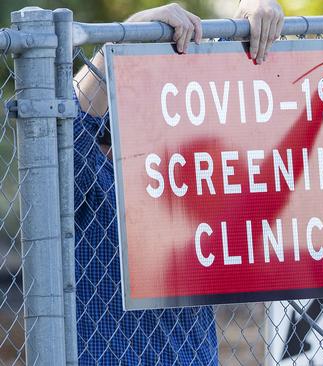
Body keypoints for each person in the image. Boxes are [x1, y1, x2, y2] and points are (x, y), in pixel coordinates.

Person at [72, 2, 284, 364]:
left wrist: (253, 13)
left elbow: (245, 101)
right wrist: (122, 41)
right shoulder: (88, 174)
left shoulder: (194, 181)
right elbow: (69, 121)